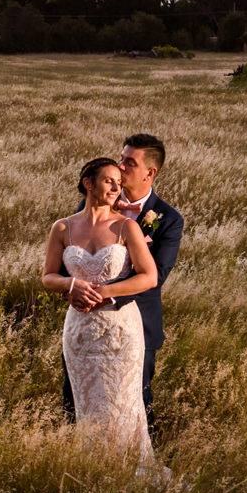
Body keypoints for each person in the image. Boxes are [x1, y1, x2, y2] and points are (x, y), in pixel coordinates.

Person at [63, 134, 183, 439]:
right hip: (84, 327)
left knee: (134, 405)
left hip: (134, 327)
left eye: (130, 163)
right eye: (121, 158)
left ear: (150, 173)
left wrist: (101, 293)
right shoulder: (92, 204)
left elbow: (157, 276)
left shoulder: (168, 219)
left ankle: (137, 469)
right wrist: (74, 289)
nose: (121, 166)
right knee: (76, 400)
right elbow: (74, 260)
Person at [43, 157, 158, 467]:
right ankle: (94, 472)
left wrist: (105, 291)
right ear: (88, 183)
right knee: (87, 406)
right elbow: (47, 276)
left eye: (118, 184)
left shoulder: (126, 226)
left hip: (120, 331)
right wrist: (71, 284)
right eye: (109, 180)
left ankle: (129, 471)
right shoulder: (63, 227)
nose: (116, 187)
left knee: (122, 404)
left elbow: (149, 276)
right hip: (80, 333)